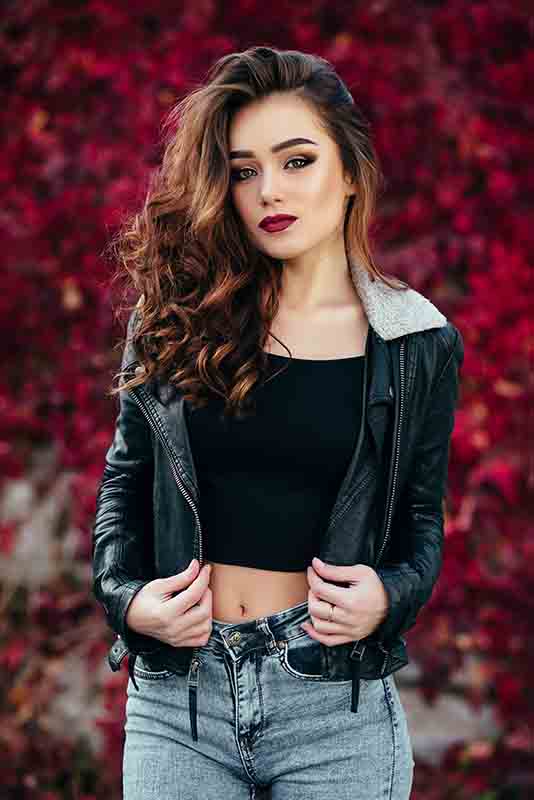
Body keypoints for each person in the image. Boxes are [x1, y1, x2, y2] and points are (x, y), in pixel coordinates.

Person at [92, 45, 464, 800]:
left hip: (333, 705)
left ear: (351, 173)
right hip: (178, 702)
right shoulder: (173, 322)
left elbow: (422, 518)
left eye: (297, 161)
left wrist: (389, 597)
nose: (269, 191)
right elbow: (122, 488)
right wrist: (128, 602)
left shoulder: (416, 342)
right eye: (244, 169)